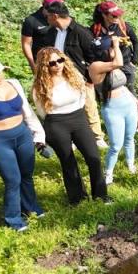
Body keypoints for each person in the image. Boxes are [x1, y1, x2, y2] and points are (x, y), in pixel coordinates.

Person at [32, 48, 109, 205]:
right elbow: (41, 111)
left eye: (60, 60)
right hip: (56, 123)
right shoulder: (40, 86)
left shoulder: (74, 75)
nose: (58, 65)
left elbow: (82, 97)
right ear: (45, 66)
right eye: (52, 63)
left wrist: (78, 113)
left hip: (78, 118)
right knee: (68, 162)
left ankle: (101, 195)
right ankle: (77, 198)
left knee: (93, 157)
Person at [0, 61, 47, 231]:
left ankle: (31, 208)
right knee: (13, 180)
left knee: (27, 174)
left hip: (22, 134)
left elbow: (26, 110)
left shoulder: (13, 83)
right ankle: (13, 219)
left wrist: (38, 134)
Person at [43, 2, 107, 147]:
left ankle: (97, 137)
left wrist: (91, 78)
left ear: (55, 16)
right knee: (68, 106)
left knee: (89, 105)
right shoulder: (52, 32)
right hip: (59, 75)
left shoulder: (80, 32)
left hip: (81, 76)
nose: (46, 20)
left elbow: (94, 56)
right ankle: (72, 137)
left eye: (48, 17)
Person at [89, 36, 138, 185]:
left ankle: (131, 165)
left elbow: (122, 85)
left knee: (130, 138)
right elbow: (119, 62)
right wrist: (116, 45)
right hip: (113, 108)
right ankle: (108, 173)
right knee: (116, 145)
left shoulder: (111, 64)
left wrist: (134, 99)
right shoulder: (95, 66)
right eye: (110, 47)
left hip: (127, 103)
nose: (114, 49)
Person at [91, 0, 138, 91]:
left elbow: (135, 41)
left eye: (119, 15)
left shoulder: (123, 26)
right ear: (104, 15)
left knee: (130, 91)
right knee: (108, 93)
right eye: (114, 16)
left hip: (125, 64)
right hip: (107, 66)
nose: (117, 18)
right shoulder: (95, 29)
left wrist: (135, 59)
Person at [21, 0, 62, 70]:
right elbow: (26, 44)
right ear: (44, 6)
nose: (54, 12)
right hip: (42, 60)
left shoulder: (60, 16)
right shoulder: (31, 21)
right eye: (51, 9)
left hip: (60, 58)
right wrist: (33, 65)